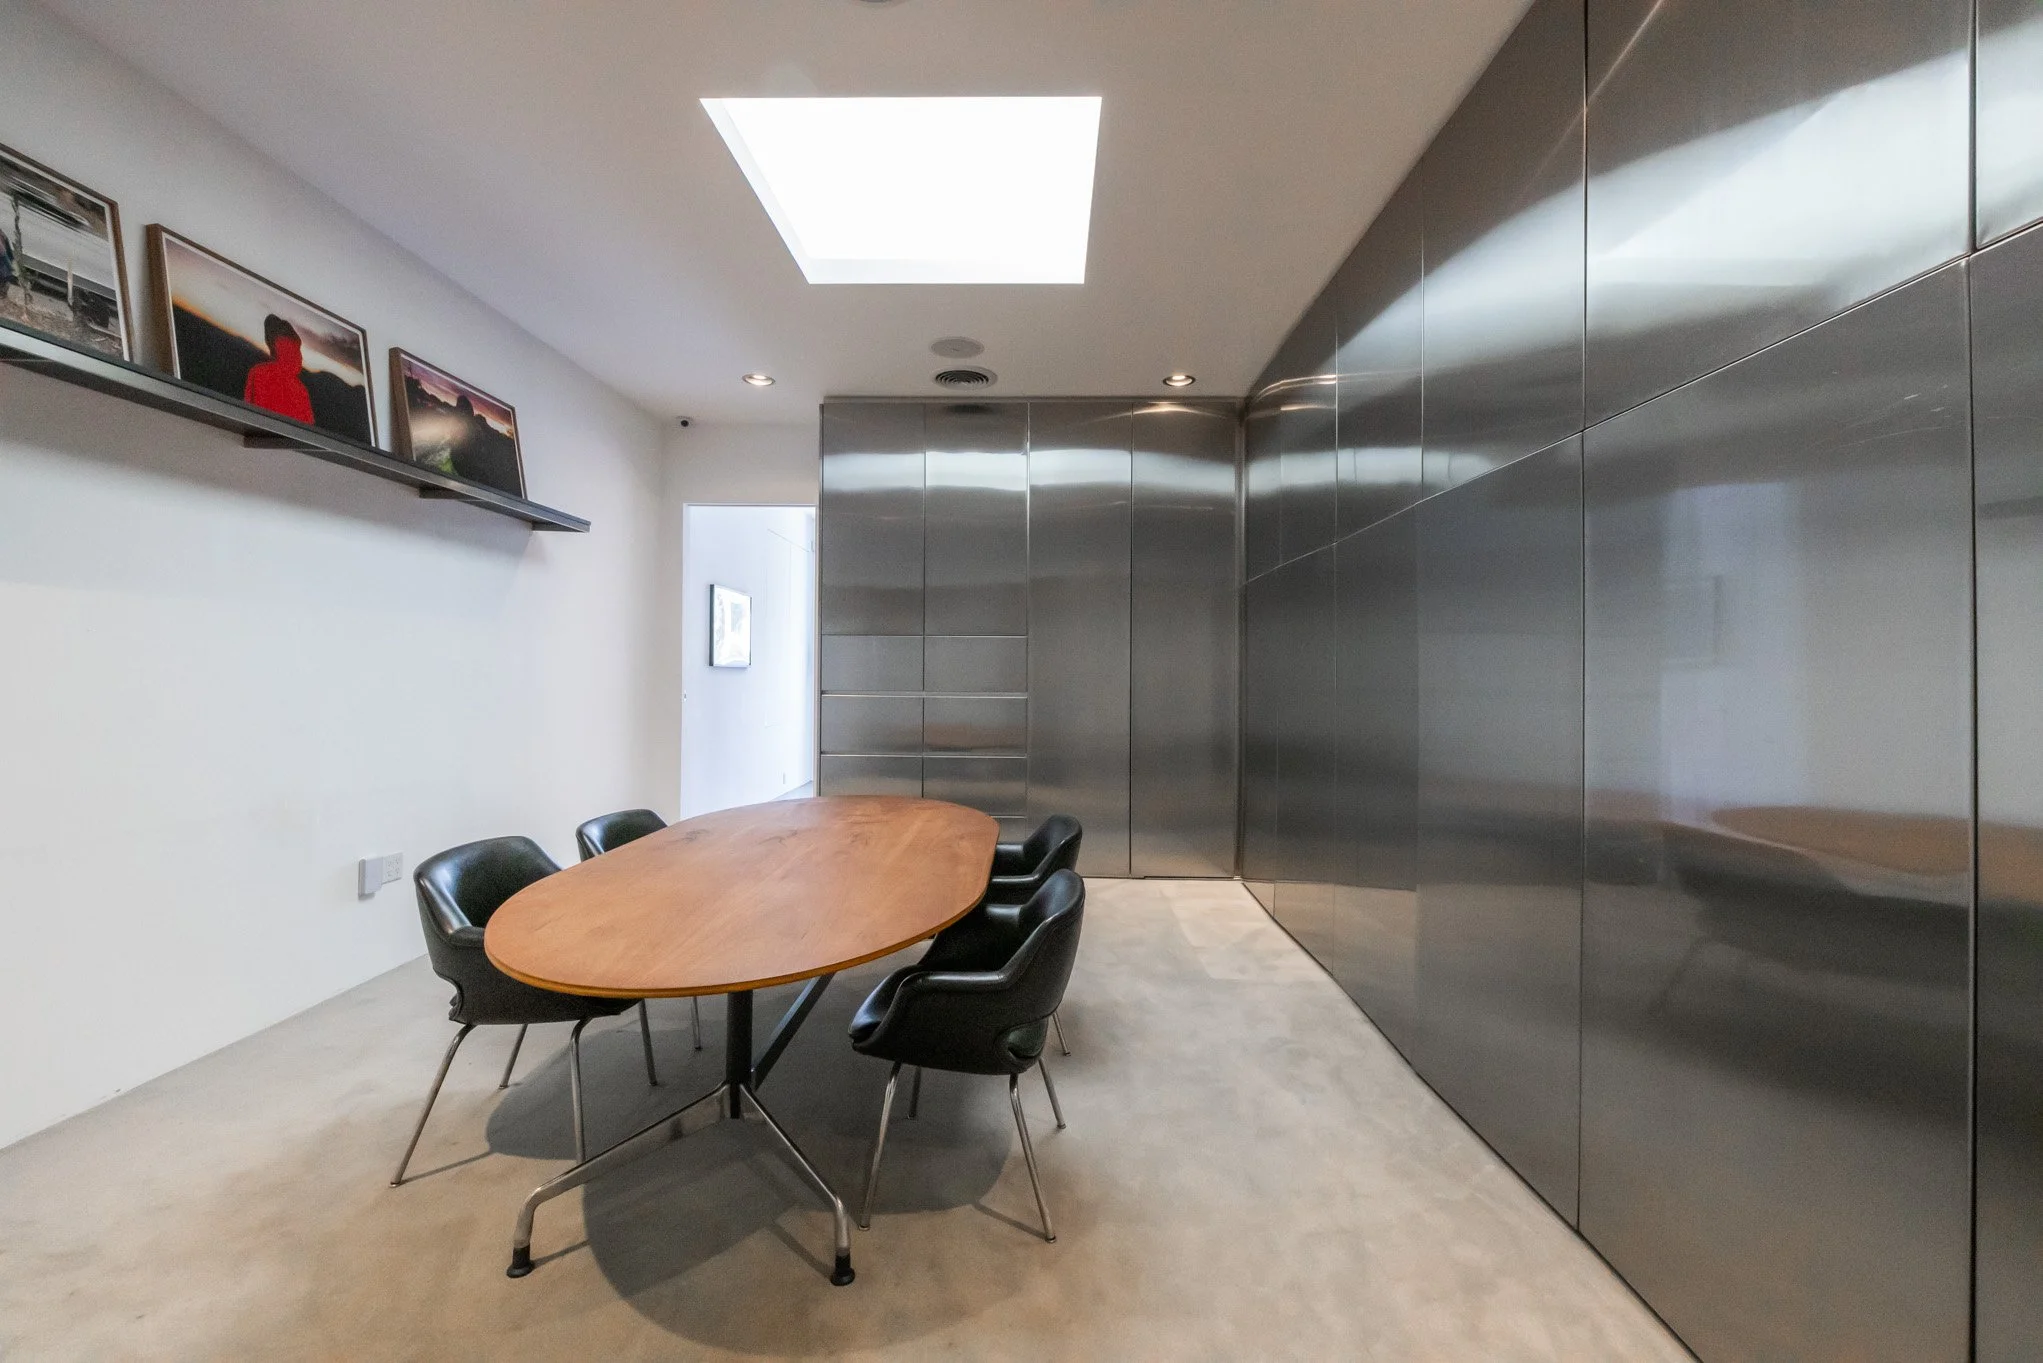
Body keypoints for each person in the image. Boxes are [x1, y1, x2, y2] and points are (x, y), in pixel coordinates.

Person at [243, 313, 314, 424]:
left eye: (298, 349)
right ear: (280, 347)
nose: (301, 357)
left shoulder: (301, 390)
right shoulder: (260, 373)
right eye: (294, 349)